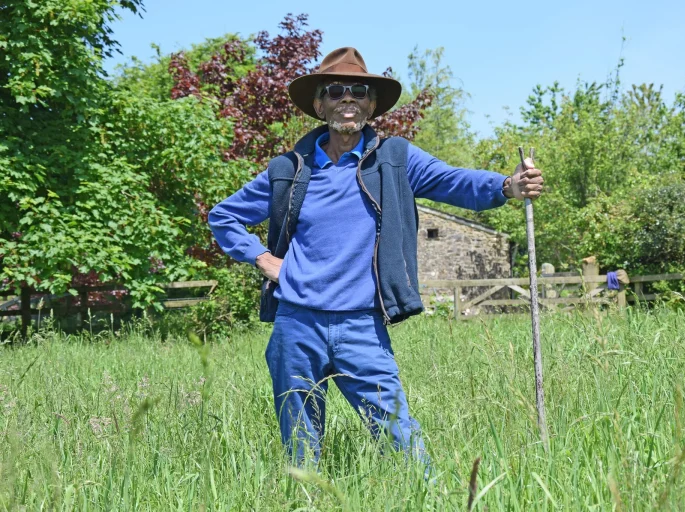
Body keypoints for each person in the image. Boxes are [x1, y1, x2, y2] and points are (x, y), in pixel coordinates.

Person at [208, 47, 544, 466]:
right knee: (300, 441)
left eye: (358, 91)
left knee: (400, 437)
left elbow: (455, 182)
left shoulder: (395, 161)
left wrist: (508, 186)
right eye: (335, 91)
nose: (347, 99)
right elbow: (223, 216)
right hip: (296, 324)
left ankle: (430, 500)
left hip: (361, 325)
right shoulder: (289, 169)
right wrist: (261, 258)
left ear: (370, 103)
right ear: (319, 104)